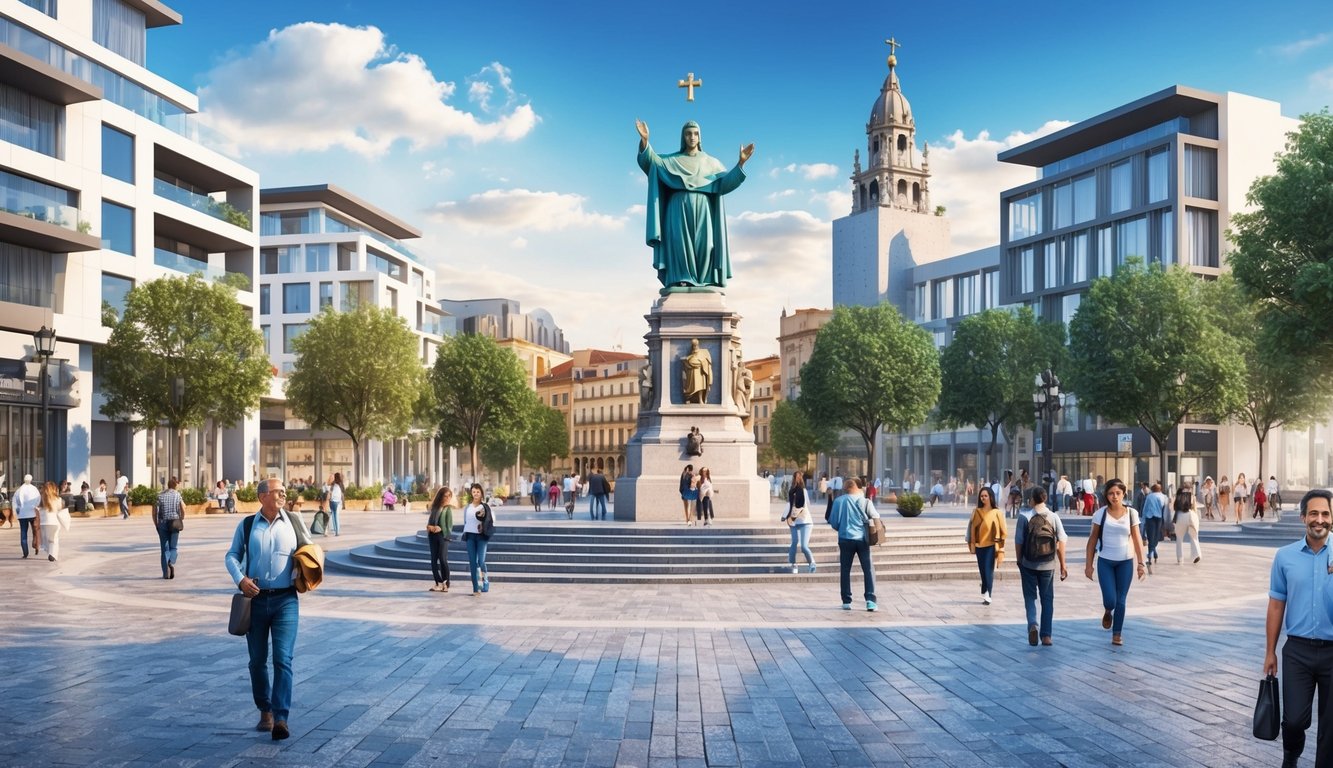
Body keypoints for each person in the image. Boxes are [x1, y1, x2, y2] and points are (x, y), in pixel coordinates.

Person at [224, 478, 302, 741]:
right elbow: (231, 555)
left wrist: (306, 568)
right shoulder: (247, 525)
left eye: (283, 491)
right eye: (277, 491)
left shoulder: (293, 521)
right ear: (262, 497)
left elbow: (310, 550)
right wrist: (240, 579)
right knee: (257, 661)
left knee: (283, 659)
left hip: (286, 600)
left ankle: (281, 717)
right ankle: (264, 709)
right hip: (255, 601)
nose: (283, 494)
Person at [635, 119, 753, 289]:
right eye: (688, 133)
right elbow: (651, 162)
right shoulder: (672, 160)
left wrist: (740, 163)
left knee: (707, 246)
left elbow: (725, 183)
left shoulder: (712, 163)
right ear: (683, 137)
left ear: (700, 137)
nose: (692, 137)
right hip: (678, 208)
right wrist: (645, 141)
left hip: (704, 209)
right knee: (679, 244)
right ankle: (681, 277)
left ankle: (705, 278)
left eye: (695, 133)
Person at [1264, 489, 1333, 768]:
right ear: (1303, 517)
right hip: (1298, 650)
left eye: (1325, 514)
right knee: (1293, 720)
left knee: (1330, 729)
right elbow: (1276, 605)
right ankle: (1291, 755)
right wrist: (1270, 652)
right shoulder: (1284, 557)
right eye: (1313, 513)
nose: (1320, 519)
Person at [1085, 479, 1147, 646]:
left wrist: (1141, 563)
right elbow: (1092, 541)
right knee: (1110, 600)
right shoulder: (1100, 514)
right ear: (1106, 495)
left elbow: (1137, 538)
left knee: (1121, 600)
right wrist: (1088, 565)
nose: (1114, 496)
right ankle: (1107, 610)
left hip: (1125, 562)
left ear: (1123, 494)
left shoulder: (1131, 513)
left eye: (1118, 493)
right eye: (1111, 493)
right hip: (1105, 561)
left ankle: (1117, 633)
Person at [1014, 486, 1068, 646]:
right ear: (1044, 499)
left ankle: (1032, 624)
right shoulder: (1053, 517)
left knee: (1030, 598)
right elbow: (1061, 541)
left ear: (1031, 499)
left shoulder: (1024, 516)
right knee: (1047, 600)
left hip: (1028, 563)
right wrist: (1063, 565)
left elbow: (1018, 541)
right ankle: (1046, 636)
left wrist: (1019, 560)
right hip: (1048, 564)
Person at [826, 477, 880, 612]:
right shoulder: (865, 501)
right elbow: (876, 517)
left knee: (845, 570)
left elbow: (833, 522)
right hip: (862, 539)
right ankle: (870, 600)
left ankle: (846, 601)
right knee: (868, 569)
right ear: (859, 488)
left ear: (846, 488)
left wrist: (843, 527)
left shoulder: (839, 501)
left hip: (845, 539)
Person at [967, 487, 1005, 606]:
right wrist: (972, 544)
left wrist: (1001, 547)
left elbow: (1003, 530)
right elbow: (972, 528)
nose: (983, 498)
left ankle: (988, 593)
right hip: (979, 545)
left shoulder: (997, 512)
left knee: (988, 570)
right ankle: (985, 590)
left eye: (985, 496)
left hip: (991, 545)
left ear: (991, 497)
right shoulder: (976, 512)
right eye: (981, 496)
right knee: (982, 570)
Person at [462, 483, 494, 596]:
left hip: (481, 537)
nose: (476, 494)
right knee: (473, 563)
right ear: (471, 493)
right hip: (470, 536)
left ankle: (485, 580)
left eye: (478, 492)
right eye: (474, 491)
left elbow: (491, 521)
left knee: (481, 561)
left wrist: (483, 525)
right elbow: (465, 522)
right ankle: (476, 588)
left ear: (481, 493)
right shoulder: (467, 507)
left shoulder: (484, 507)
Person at [784, 472, 815, 574]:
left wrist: (785, 516)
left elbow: (790, 505)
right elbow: (807, 505)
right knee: (799, 544)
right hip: (798, 520)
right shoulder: (799, 491)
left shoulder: (795, 491)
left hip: (803, 520)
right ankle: (804, 564)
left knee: (798, 544)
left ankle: (807, 564)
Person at [153, 477, 184, 578]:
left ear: (168, 485)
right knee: (173, 547)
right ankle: (171, 562)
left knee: (164, 549)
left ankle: (165, 573)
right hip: (175, 522)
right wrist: (181, 518)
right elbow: (182, 509)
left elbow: (154, 511)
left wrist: (156, 524)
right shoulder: (177, 495)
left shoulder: (160, 495)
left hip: (162, 523)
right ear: (175, 486)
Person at [426, 486, 454, 593]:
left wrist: (441, 529)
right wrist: (429, 527)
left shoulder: (448, 509)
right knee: (433, 560)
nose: (447, 498)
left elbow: (450, 526)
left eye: (449, 496)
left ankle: (446, 583)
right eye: (445, 495)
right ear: (440, 496)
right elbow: (430, 522)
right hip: (432, 536)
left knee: (442, 559)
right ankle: (438, 583)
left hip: (443, 537)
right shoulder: (435, 507)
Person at [1140, 482, 1169, 572]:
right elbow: (1166, 509)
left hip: (1149, 518)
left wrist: (1143, 520)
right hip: (1159, 518)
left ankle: (1151, 552)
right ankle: (1153, 552)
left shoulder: (1149, 496)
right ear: (1160, 489)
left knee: (1150, 535)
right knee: (1156, 535)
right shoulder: (1164, 497)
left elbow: (1145, 508)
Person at [1174, 481, 1202, 564]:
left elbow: (1175, 507)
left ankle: (1180, 558)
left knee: (1179, 538)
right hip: (1191, 514)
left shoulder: (1178, 495)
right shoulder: (1192, 496)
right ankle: (1196, 554)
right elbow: (1194, 508)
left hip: (1180, 516)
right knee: (1194, 536)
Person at [14, 474, 40, 558]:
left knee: (23, 532)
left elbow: (14, 501)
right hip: (32, 512)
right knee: (35, 531)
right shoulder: (34, 489)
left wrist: (17, 510)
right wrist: (35, 507)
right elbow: (38, 499)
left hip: (22, 514)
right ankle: (36, 545)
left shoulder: (19, 490)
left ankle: (25, 552)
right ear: (31, 480)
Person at [39, 481, 64, 562]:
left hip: (43, 522)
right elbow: (60, 509)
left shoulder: (41, 499)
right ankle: (52, 554)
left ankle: (48, 551)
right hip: (54, 522)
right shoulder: (58, 499)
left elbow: (37, 508)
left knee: (46, 539)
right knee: (54, 540)